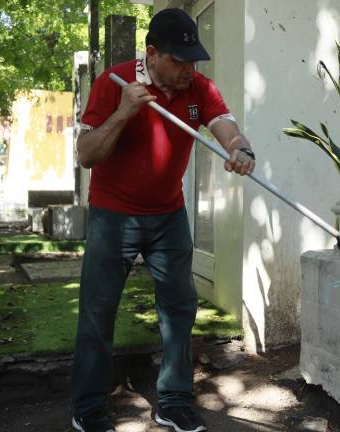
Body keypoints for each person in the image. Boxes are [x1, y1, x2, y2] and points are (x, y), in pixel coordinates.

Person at [70, 8, 254, 432]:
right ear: (153, 55)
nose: (190, 69)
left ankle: (172, 400)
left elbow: (225, 124)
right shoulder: (113, 82)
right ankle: (88, 406)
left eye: (194, 61)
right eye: (180, 61)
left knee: (179, 307)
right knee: (98, 310)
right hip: (113, 215)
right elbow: (86, 155)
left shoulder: (198, 87)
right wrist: (123, 112)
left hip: (168, 214)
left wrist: (240, 149)